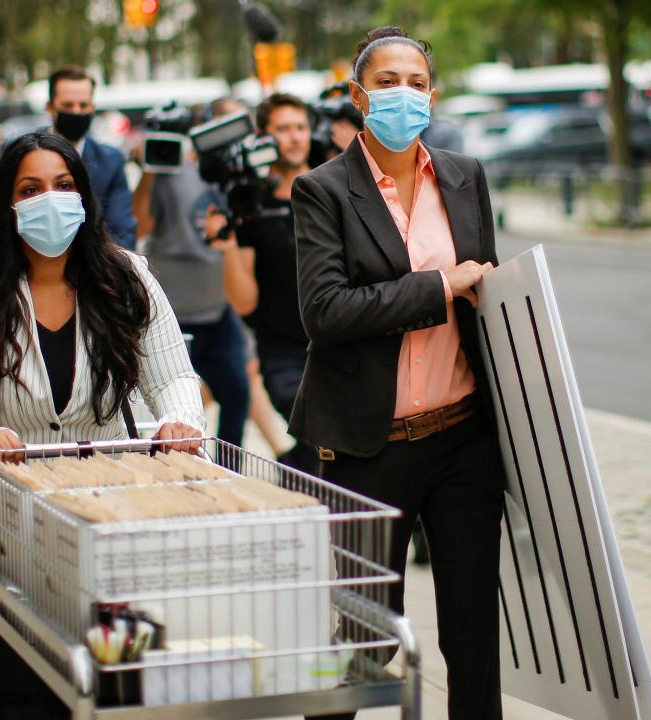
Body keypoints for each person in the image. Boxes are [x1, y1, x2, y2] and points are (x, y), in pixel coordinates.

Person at [0, 132, 204, 718]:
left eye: (64, 186)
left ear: (85, 197)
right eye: (31, 189)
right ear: (8, 204)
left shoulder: (126, 277)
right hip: (10, 520)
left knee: (113, 678)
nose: (51, 200)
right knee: (23, 684)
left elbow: (174, 378)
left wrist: (178, 421)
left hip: (108, 514)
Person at [290, 27, 504, 720]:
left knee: (473, 636)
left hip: (464, 440)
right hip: (367, 447)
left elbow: (487, 296)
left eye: (416, 82)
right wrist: (440, 286)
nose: (403, 94)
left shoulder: (465, 177)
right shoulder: (321, 190)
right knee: (360, 637)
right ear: (357, 96)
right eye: (386, 82)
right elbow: (325, 312)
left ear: (433, 95)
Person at [208, 92, 317, 474]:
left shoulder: (332, 190)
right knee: (318, 434)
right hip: (285, 355)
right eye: (283, 129)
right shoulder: (250, 203)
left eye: (301, 127)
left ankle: (297, 474)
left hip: (339, 346)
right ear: (264, 136)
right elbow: (244, 303)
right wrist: (228, 247)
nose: (294, 137)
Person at [132, 101, 249, 450]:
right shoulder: (168, 171)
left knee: (237, 395)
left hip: (217, 310)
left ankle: (230, 471)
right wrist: (150, 168)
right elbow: (141, 224)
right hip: (173, 317)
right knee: (165, 409)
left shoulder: (231, 175)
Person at [46, 66, 137, 250]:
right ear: (50, 107)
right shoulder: (25, 155)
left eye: (83, 105)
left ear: (93, 107)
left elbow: (122, 232)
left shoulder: (110, 161)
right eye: (67, 106)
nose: (77, 111)